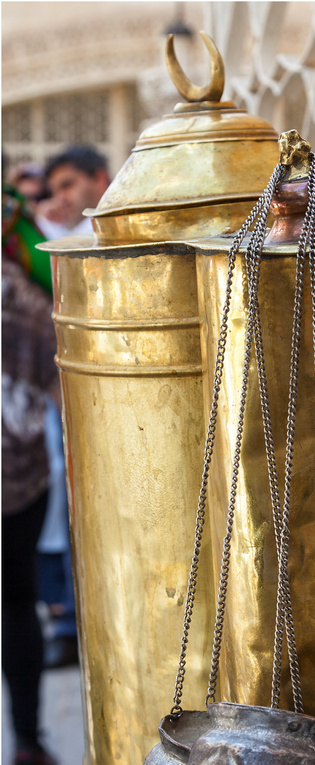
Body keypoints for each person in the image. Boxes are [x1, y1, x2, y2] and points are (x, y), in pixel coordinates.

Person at [37, 146, 110, 667]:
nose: (61, 198)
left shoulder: (109, 238)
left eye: (69, 185)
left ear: (98, 179)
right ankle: (74, 619)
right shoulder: (56, 245)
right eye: (55, 189)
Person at [2, 186, 59, 765]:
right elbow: (62, 394)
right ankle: (26, 741)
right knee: (18, 605)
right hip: (18, 485)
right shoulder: (28, 300)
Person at [37, 144, 110, 240]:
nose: (59, 198)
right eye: (53, 191)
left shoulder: (125, 223)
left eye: (67, 185)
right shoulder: (60, 227)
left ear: (99, 179)